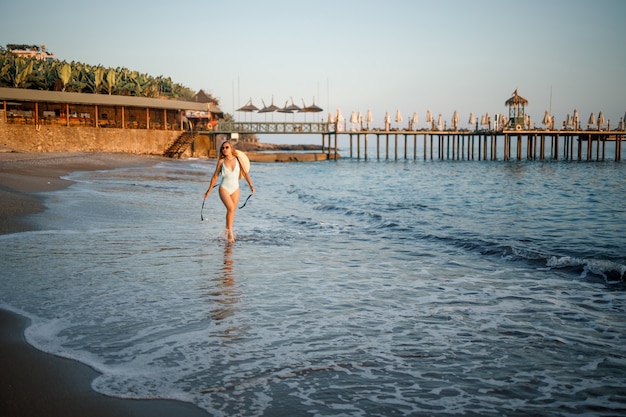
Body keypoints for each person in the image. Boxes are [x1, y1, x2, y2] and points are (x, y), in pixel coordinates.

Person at [204, 141, 254, 243]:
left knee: (231, 211)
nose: (224, 149)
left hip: (236, 189)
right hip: (224, 188)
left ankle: (226, 231)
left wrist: (251, 185)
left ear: (231, 148)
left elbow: (245, 173)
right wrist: (208, 190)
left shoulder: (238, 159)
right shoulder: (221, 162)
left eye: (227, 147)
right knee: (230, 208)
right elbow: (215, 177)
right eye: (223, 148)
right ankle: (230, 233)